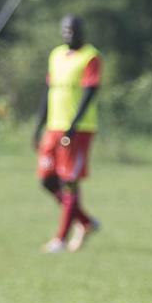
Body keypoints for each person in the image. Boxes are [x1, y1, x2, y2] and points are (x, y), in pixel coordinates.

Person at [33, 14, 101, 253]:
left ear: (82, 31)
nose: (68, 34)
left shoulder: (90, 56)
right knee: (47, 179)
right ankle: (85, 221)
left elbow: (90, 91)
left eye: (73, 29)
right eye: (65, 30)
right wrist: (38, 125)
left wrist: (73, 124)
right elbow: (48, 91)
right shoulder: (56, 55)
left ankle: (60, 239)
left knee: (69, 182)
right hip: (53, 127)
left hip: (78, 130)